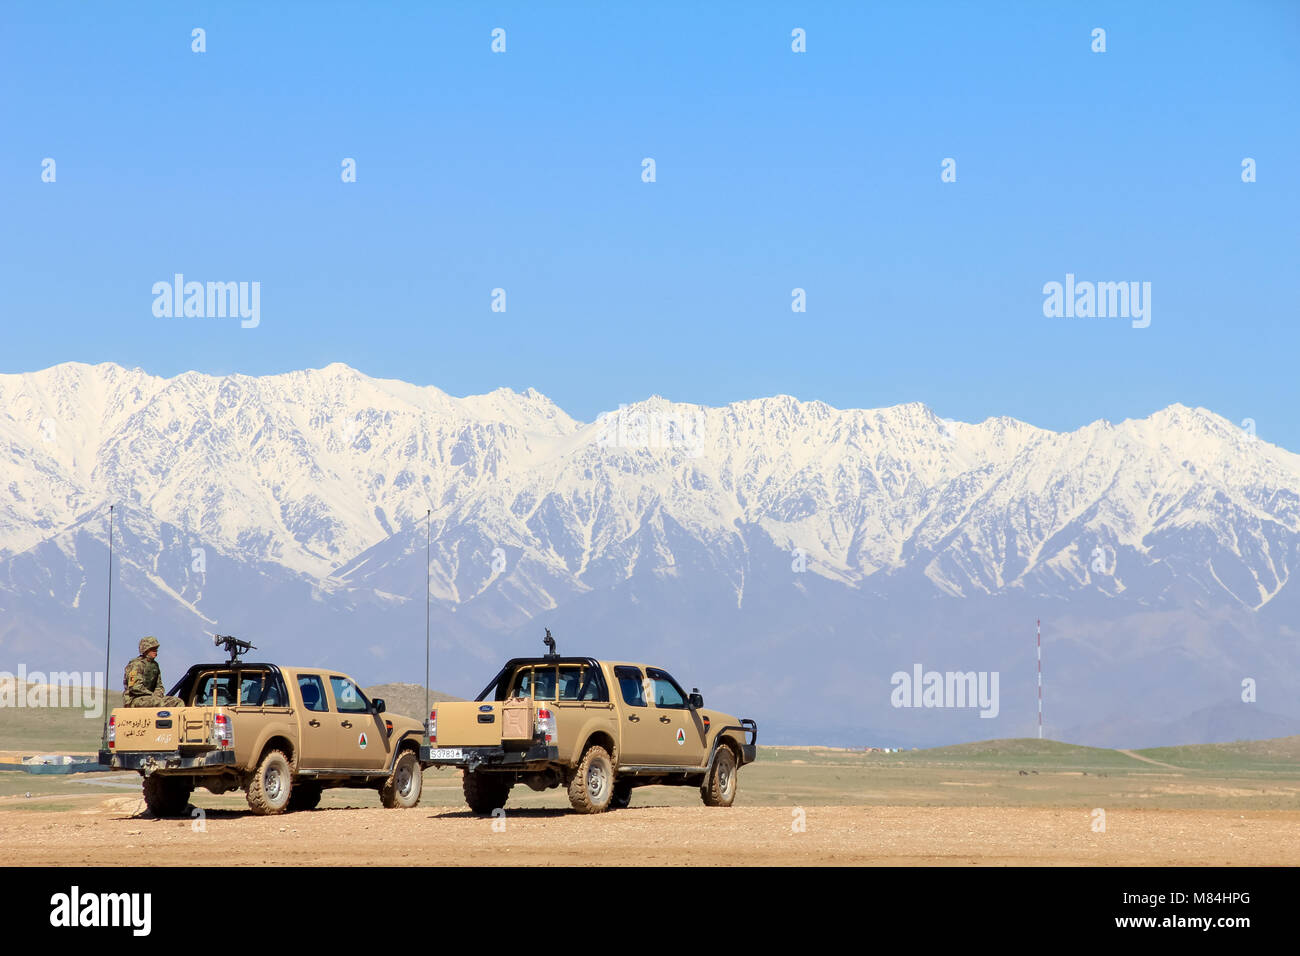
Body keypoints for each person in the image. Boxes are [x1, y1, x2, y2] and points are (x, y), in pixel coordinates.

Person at [123, 636, 183, 708]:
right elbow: (135, 687)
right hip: (135, 700)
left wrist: (158, 694)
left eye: (156, 649)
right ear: (145, 650)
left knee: (177, 701)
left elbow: (159, 685)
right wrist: (152, 695)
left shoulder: (154, 665)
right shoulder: (136, 665)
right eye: (153, 649)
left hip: (150, 698)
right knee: (168, 702)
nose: (155, 651)